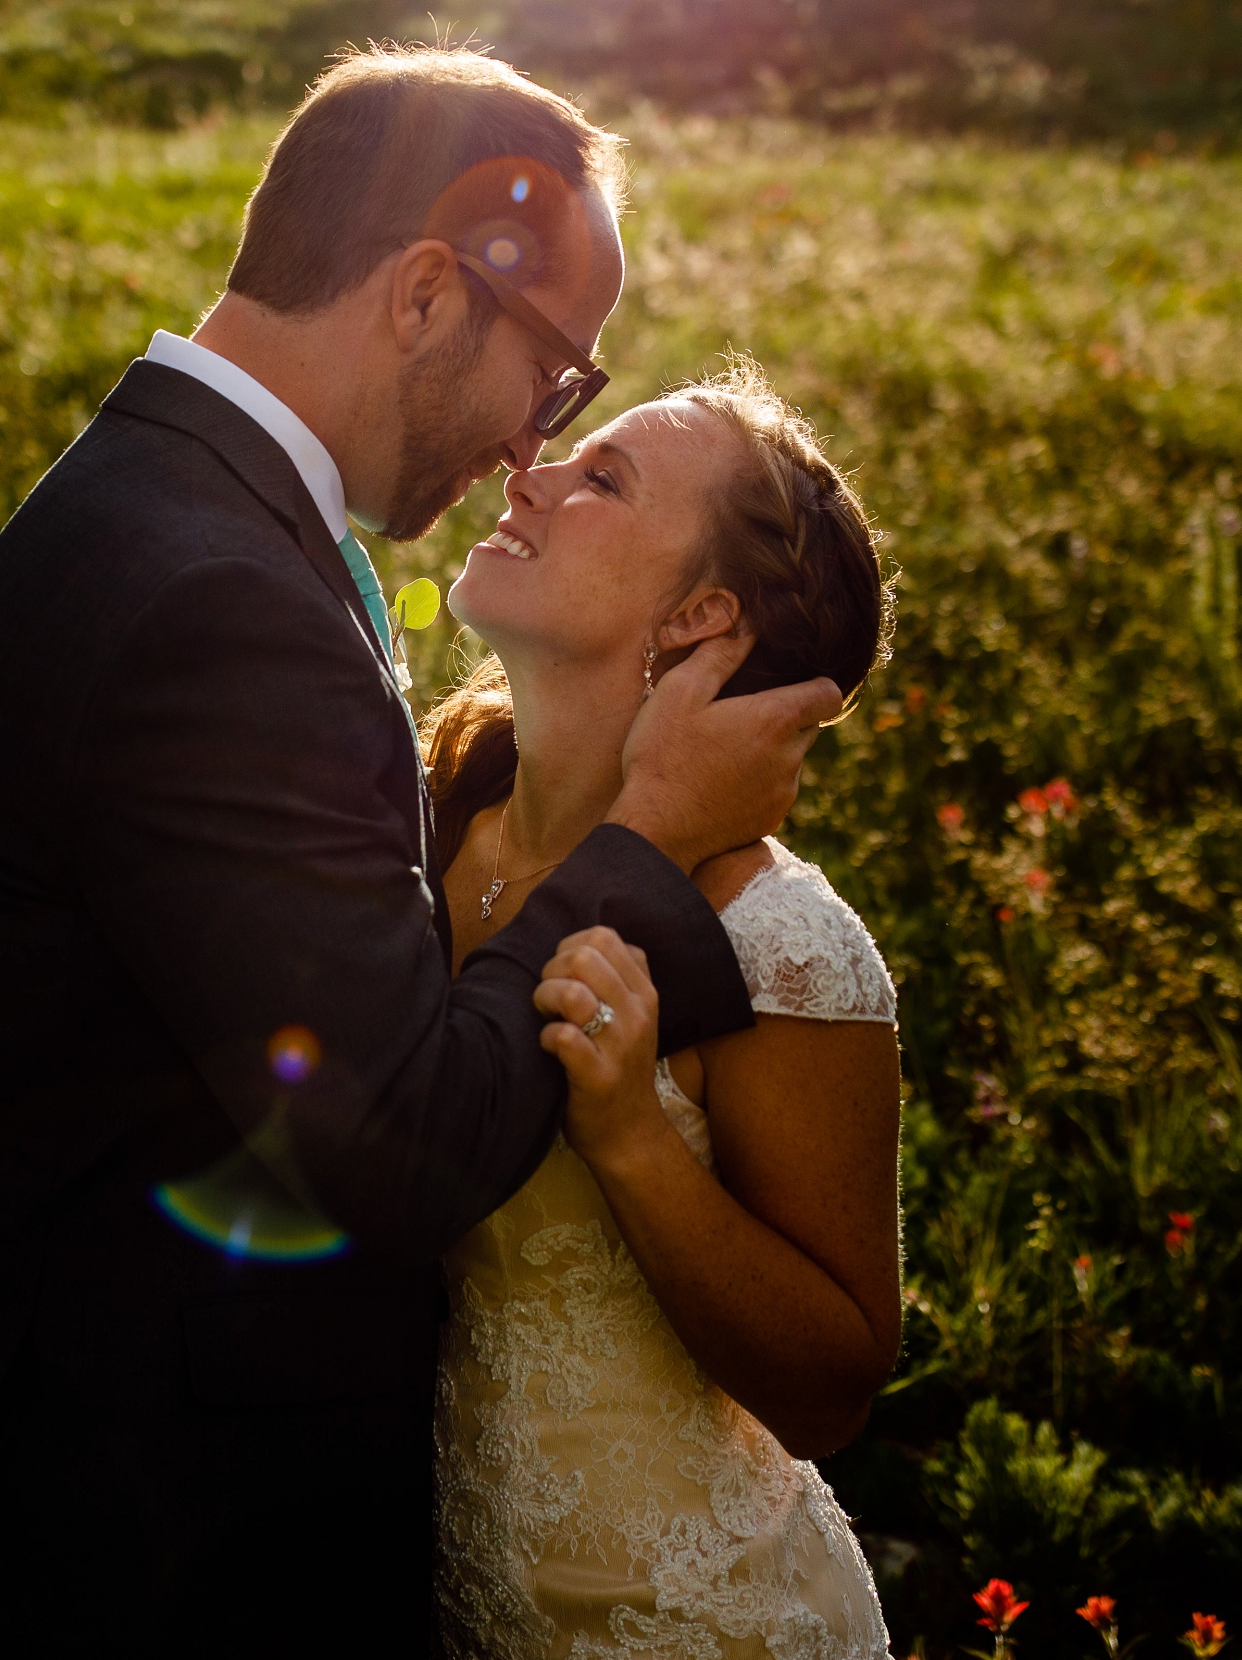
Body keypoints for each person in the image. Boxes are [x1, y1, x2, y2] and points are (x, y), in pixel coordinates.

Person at [0, 47, 845, 1655]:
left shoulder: (184, 512)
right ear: (431, 291)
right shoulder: (215, 596)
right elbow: (393, 1140)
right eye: (559, 375)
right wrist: (654, 826)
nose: (533, 449)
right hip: (136, 1554)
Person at [426, 362, 901, 1660]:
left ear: (696, 618)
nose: (532, 469)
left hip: (700, 1627)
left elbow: (832, 1384)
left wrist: (633, 1136)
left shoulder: (780, 943)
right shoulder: (440, 817)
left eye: (603, 478)